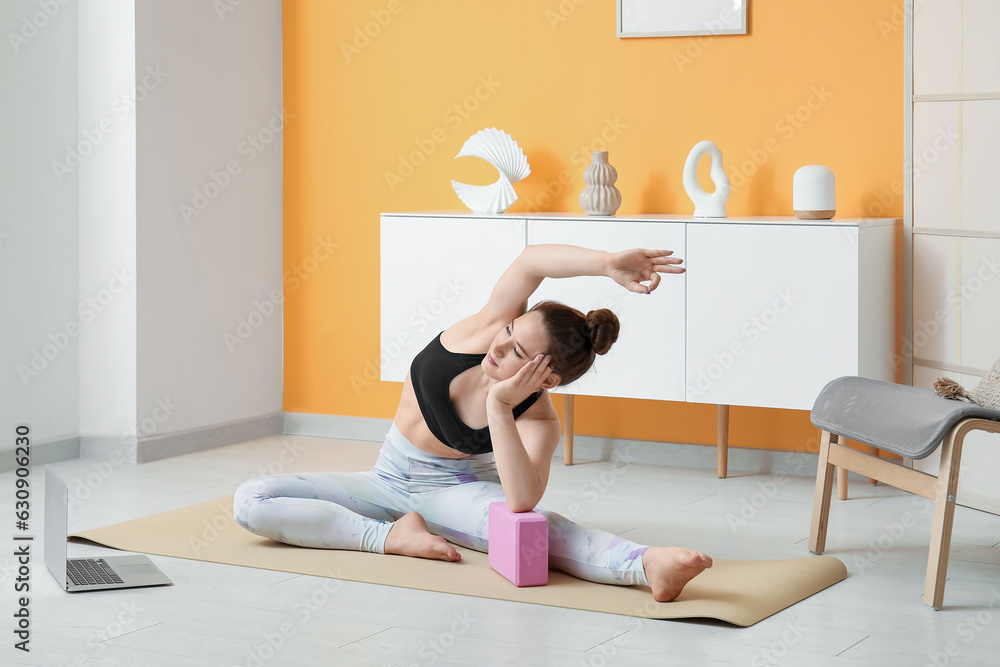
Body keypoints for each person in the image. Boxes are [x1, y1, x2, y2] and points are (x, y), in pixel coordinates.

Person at [234, 244, 713, 602]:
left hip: (453, 490)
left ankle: (646, 564)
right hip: (384, 477)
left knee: (537, 528)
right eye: (508, 332)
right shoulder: (487, 328)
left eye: (517, 353)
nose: (498, 347)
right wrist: (606, 264)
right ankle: (391, 539)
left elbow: (522, 500)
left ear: (545, 378)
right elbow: (531, 262)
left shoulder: (539, 420)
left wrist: (501, 408)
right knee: (252, 500)